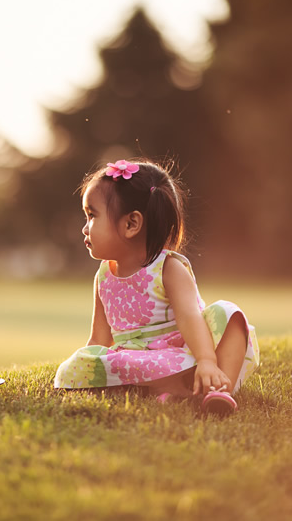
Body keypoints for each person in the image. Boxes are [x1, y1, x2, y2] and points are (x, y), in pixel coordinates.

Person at [54, 158, 260, 415]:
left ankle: (217, 389)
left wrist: (206, 360)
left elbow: (190, 319)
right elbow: (98, 338)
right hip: (135, 361)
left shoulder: (168, 269)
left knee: (229, 315)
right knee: (79, 363)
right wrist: (86, 367)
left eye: (92, 216)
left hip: (184, 355)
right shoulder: (103, 277)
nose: (85, 228)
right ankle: (168, 392)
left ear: (131, 224)